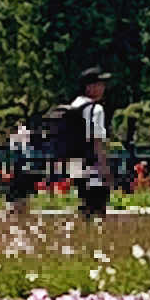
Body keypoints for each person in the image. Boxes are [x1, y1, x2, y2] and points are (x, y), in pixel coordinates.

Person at [58, 69, 111, 220]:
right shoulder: (96, 109)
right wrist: (105, 169)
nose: (103, 88)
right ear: (89, 87)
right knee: (97, 210)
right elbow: (97, 140)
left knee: (84, 205)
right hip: (92, 166)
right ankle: (93, 240)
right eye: (99, 84)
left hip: (74, 165)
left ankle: (80, 236)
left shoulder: (73, 107)